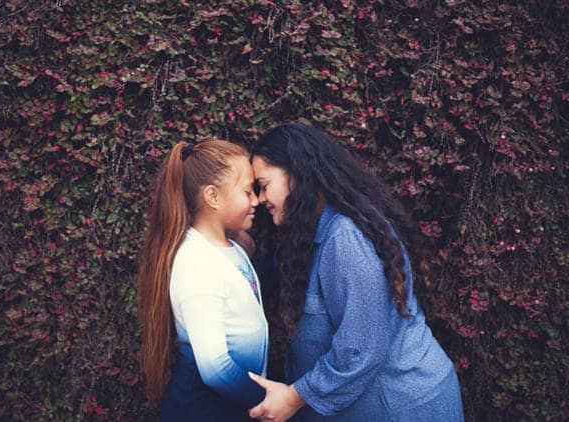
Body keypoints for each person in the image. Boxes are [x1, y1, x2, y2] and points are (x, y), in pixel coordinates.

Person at [247, 124, 464, 421]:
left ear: (297, 174)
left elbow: (361, 347)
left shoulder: (346, 237)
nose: (259, 199)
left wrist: (295, 397)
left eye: (264, 184)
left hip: (403, 408)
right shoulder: (317, 232)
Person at [137, 140, 268, 421]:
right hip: (202, 410)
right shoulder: (197, 262)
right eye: (247, 191)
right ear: (213, 197)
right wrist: (266, 401)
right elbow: (215, 367)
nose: (256, 200)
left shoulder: (230, 248)